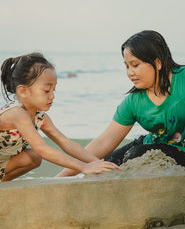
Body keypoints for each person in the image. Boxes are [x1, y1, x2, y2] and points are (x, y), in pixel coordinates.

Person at [57, 30, 185, 177]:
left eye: (135, 65)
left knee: (136, 155)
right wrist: (61, 177)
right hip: (150, 145)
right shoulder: (134, 101)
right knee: (107, 163)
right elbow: (103, 142)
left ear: (158, 63)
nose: (130, 72)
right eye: (127, 66)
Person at [0, 52, 120, 182]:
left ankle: (4, 185)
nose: (52, 96)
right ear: (23, 91)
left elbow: (65, 142)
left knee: (33, 157)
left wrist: (97, 163)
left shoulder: (40, 117)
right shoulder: (17, 113)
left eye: (54, 90)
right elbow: (42, 149)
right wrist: (83, 167)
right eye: (46, 91)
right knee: (36, 153)